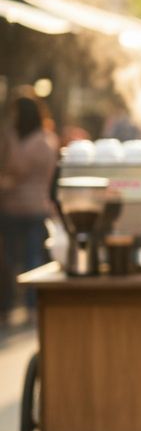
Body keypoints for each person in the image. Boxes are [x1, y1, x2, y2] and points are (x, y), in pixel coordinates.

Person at [0, 90, 59, 323]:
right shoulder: (46, 139)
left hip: (25, 206)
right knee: (27, 258)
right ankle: (27, 307)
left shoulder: (30, 140)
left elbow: (16, 167)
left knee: (24, 259)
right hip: (25, 206)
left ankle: (27, 306)